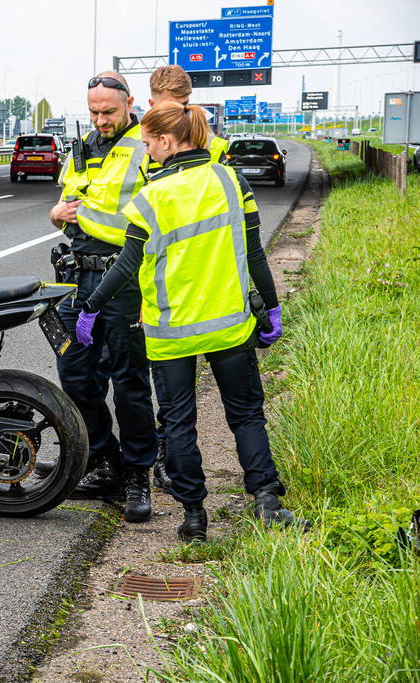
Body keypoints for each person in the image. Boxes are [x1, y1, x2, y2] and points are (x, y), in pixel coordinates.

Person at [73, 101, 308, 541]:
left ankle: (195, 518)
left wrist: (91, 306)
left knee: (179, 423)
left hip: (171, 333)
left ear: (166, 141)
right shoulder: (230, 179)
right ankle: (267, 501)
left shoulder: (152, 196)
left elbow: (125, 265)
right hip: (229, 323)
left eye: (146, 144)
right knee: (246, 415)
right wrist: (271, 306)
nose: (145, 152)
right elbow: (254, 254)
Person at [46, 71, 157, 523]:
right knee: (75, 376)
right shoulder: (82, 146)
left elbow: (150, 217)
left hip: (124, 280)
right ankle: (102, 459)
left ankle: (137, 474)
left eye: (108, 111)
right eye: (93, 111)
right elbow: (64, 210)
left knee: (129, 383)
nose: (100, 119)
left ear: (129, 103)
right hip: (78, 279)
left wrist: (83, 217)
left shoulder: (149, 145)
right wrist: (57, 215)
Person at [142, 65, 230, 494]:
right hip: (205, 283)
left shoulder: (174, 144)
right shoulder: (213, 148)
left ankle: (179, 482)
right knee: (187, 403)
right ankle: (171, 470)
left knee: (174, 403)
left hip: (175, 282)